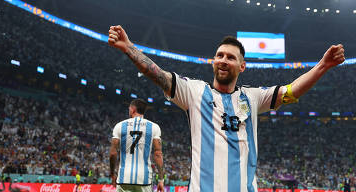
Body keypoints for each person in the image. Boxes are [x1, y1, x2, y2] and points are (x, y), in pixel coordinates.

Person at [108, 25, 345, 192]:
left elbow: (291, 91)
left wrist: (323, 66)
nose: (223, 59)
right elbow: (157, 74)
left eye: (230, 57)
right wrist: (128, 47)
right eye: (219, 55)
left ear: (242, 66)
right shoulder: (193, 91)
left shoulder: (252, 97)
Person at [110, 99, 165, 192]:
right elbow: (158, 154)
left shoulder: (119, 126)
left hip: (124, 178)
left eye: (129, 109)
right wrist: (161, 179)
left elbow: (113, 154)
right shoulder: (154, 127)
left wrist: (112, 174)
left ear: (133, 109)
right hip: (144, 179)